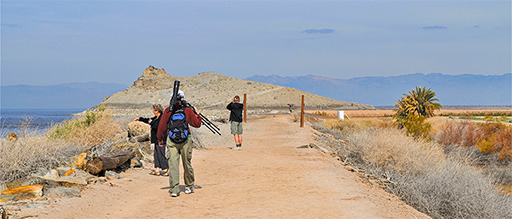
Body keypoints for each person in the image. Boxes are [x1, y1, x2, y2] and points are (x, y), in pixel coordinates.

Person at [157, 90, 202, 197]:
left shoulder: (168, 110)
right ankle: (189, 186)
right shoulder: (187, 110)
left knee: (173, 165)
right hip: (186, 139)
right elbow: (197, 124)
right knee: (187, 163)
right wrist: (197, 113)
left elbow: (162, 126)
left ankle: (174, 190)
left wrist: (160, 139)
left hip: (171, 140)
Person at [135, 104, 169, 176]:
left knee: (161, 154)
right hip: (156, 139)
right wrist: (140, 119)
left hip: (161, 139)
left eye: (154, 110)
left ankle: (168, 169)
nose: (153, 111)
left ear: (157, 111)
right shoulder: (157, 117)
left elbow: (158, 126)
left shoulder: (162, 118)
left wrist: (151, 122)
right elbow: (149, 120)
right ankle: (157, 169)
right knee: (156, 154)